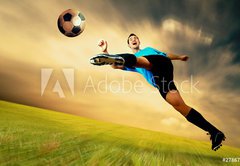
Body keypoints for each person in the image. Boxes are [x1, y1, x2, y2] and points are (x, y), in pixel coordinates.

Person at [90, 33, 225, 151]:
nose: (134, 39)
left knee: (142, 61)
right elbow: (114, 65)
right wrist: (106, 51)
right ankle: (215, 132)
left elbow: (166, 55)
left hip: (160, 63)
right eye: (131, 39)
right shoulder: (134, 63)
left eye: (136, 37)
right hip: (163, 82)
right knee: (181, 107)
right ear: (129, 44)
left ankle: (118, 57)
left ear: (139, 41)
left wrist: (178, 57)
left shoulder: (148, 50)